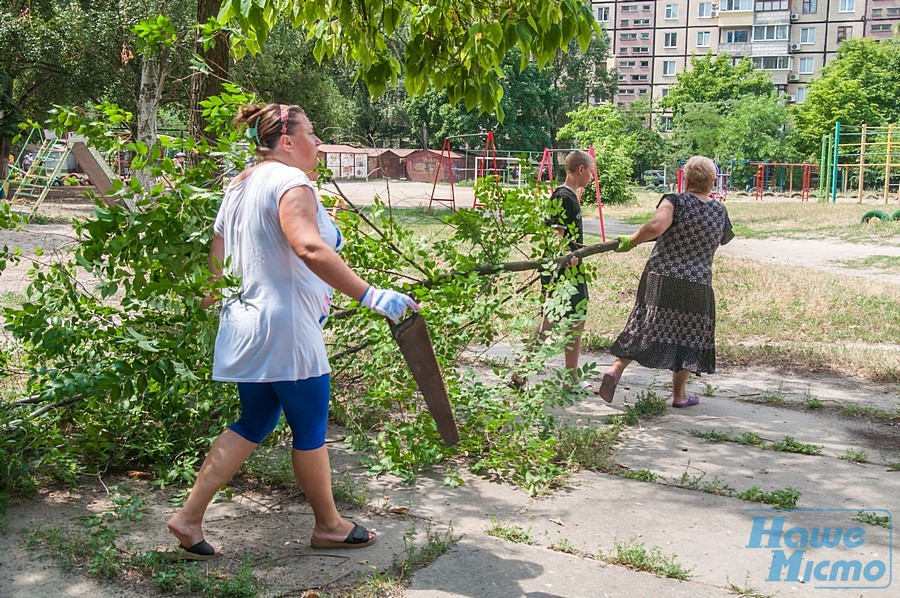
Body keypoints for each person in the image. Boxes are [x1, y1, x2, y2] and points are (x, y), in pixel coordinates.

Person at [166, 102, 418, 561]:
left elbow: (215, 271)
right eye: (313, 134)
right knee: (309, 428)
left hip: (244, 324)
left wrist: (202, 308)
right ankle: (329, 525)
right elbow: (307, 245)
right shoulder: (290, 181)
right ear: (287, 141)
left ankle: (188, 518)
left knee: (252, 422)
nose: (318, 143)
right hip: (285, 331)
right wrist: (371, 295)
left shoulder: (238, 186)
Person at [600, 155, 734, 407]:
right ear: (712, 181)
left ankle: (614, 372)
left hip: (661, 277)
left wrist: (632, 240)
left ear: (686, 179)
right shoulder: (720, 210)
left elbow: (658, 225)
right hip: (698, 283)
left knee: (643, 325)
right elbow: (724, 238)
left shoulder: (675, 200)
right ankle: (679, 396)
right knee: (688, 335)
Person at [514, 150, 598, 392]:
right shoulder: (564, 198)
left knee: (572, 320)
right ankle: (523, 373)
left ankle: (562, 378)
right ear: (580, 170)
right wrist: (564, 258)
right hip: (563, 274)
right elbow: (554, 237)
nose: (591, 177)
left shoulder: (569, 197)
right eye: (591, 172)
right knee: (550, 322)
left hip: (571, 271)